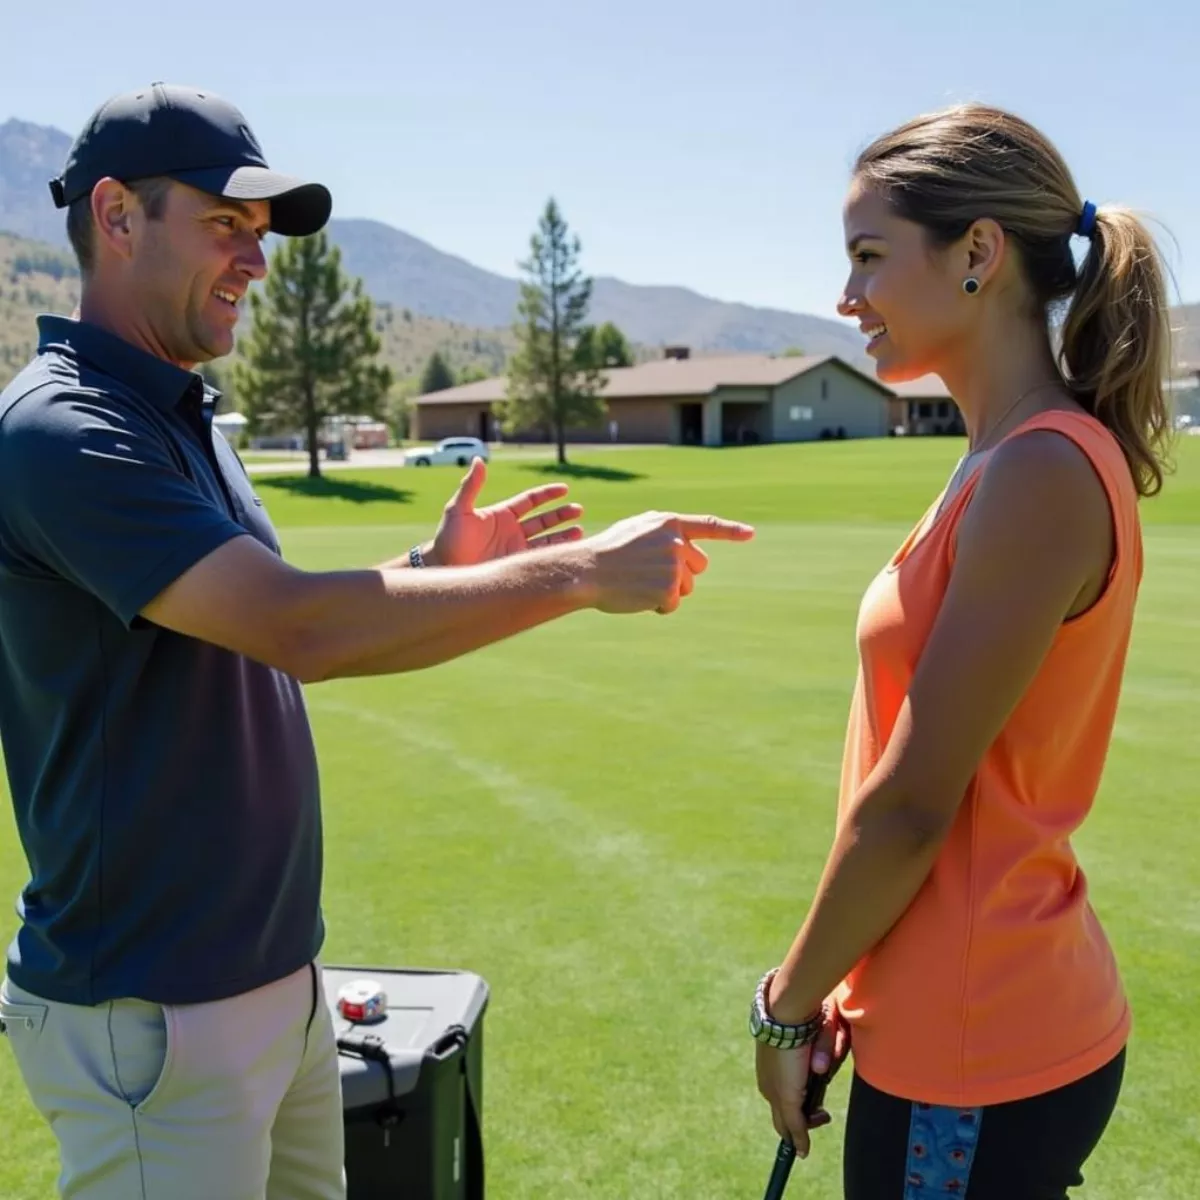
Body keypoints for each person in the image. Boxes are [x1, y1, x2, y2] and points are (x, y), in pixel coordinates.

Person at [0, 83, 754, 1200]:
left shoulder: (172, 412)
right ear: (116, 217)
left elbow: (249, 609)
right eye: (225, 226)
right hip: (156, 1007)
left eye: (260, 235)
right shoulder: (64, 430)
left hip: (270, 980)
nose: (256, 260)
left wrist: (425, 571)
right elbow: (299, 628)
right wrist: (583, 575)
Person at [749, 102, 1173, 1199]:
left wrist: (784, 1005)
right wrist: (846, 986)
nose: (847, 298)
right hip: (945, 1026)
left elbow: (913, 806)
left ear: (979, 253)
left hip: (981, 1050)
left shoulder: (1038, 470)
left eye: (869, 257)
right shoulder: (998, 459)